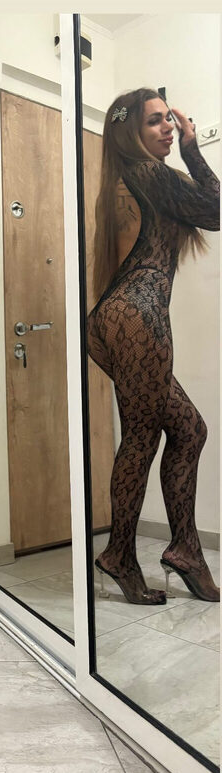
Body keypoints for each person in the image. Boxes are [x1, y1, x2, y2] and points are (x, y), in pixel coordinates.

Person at [88, 88, 220, 605]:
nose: (168, 127)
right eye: (155, 122)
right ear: (130, 132)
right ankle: (121, 553)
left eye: (170, 120)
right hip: (138, 314)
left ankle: (184, 548)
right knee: (143, 437)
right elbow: (217, 209)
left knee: (188, 431)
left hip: (119, 315)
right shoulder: (150, 173)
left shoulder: (130, 180)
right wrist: (192, 149)